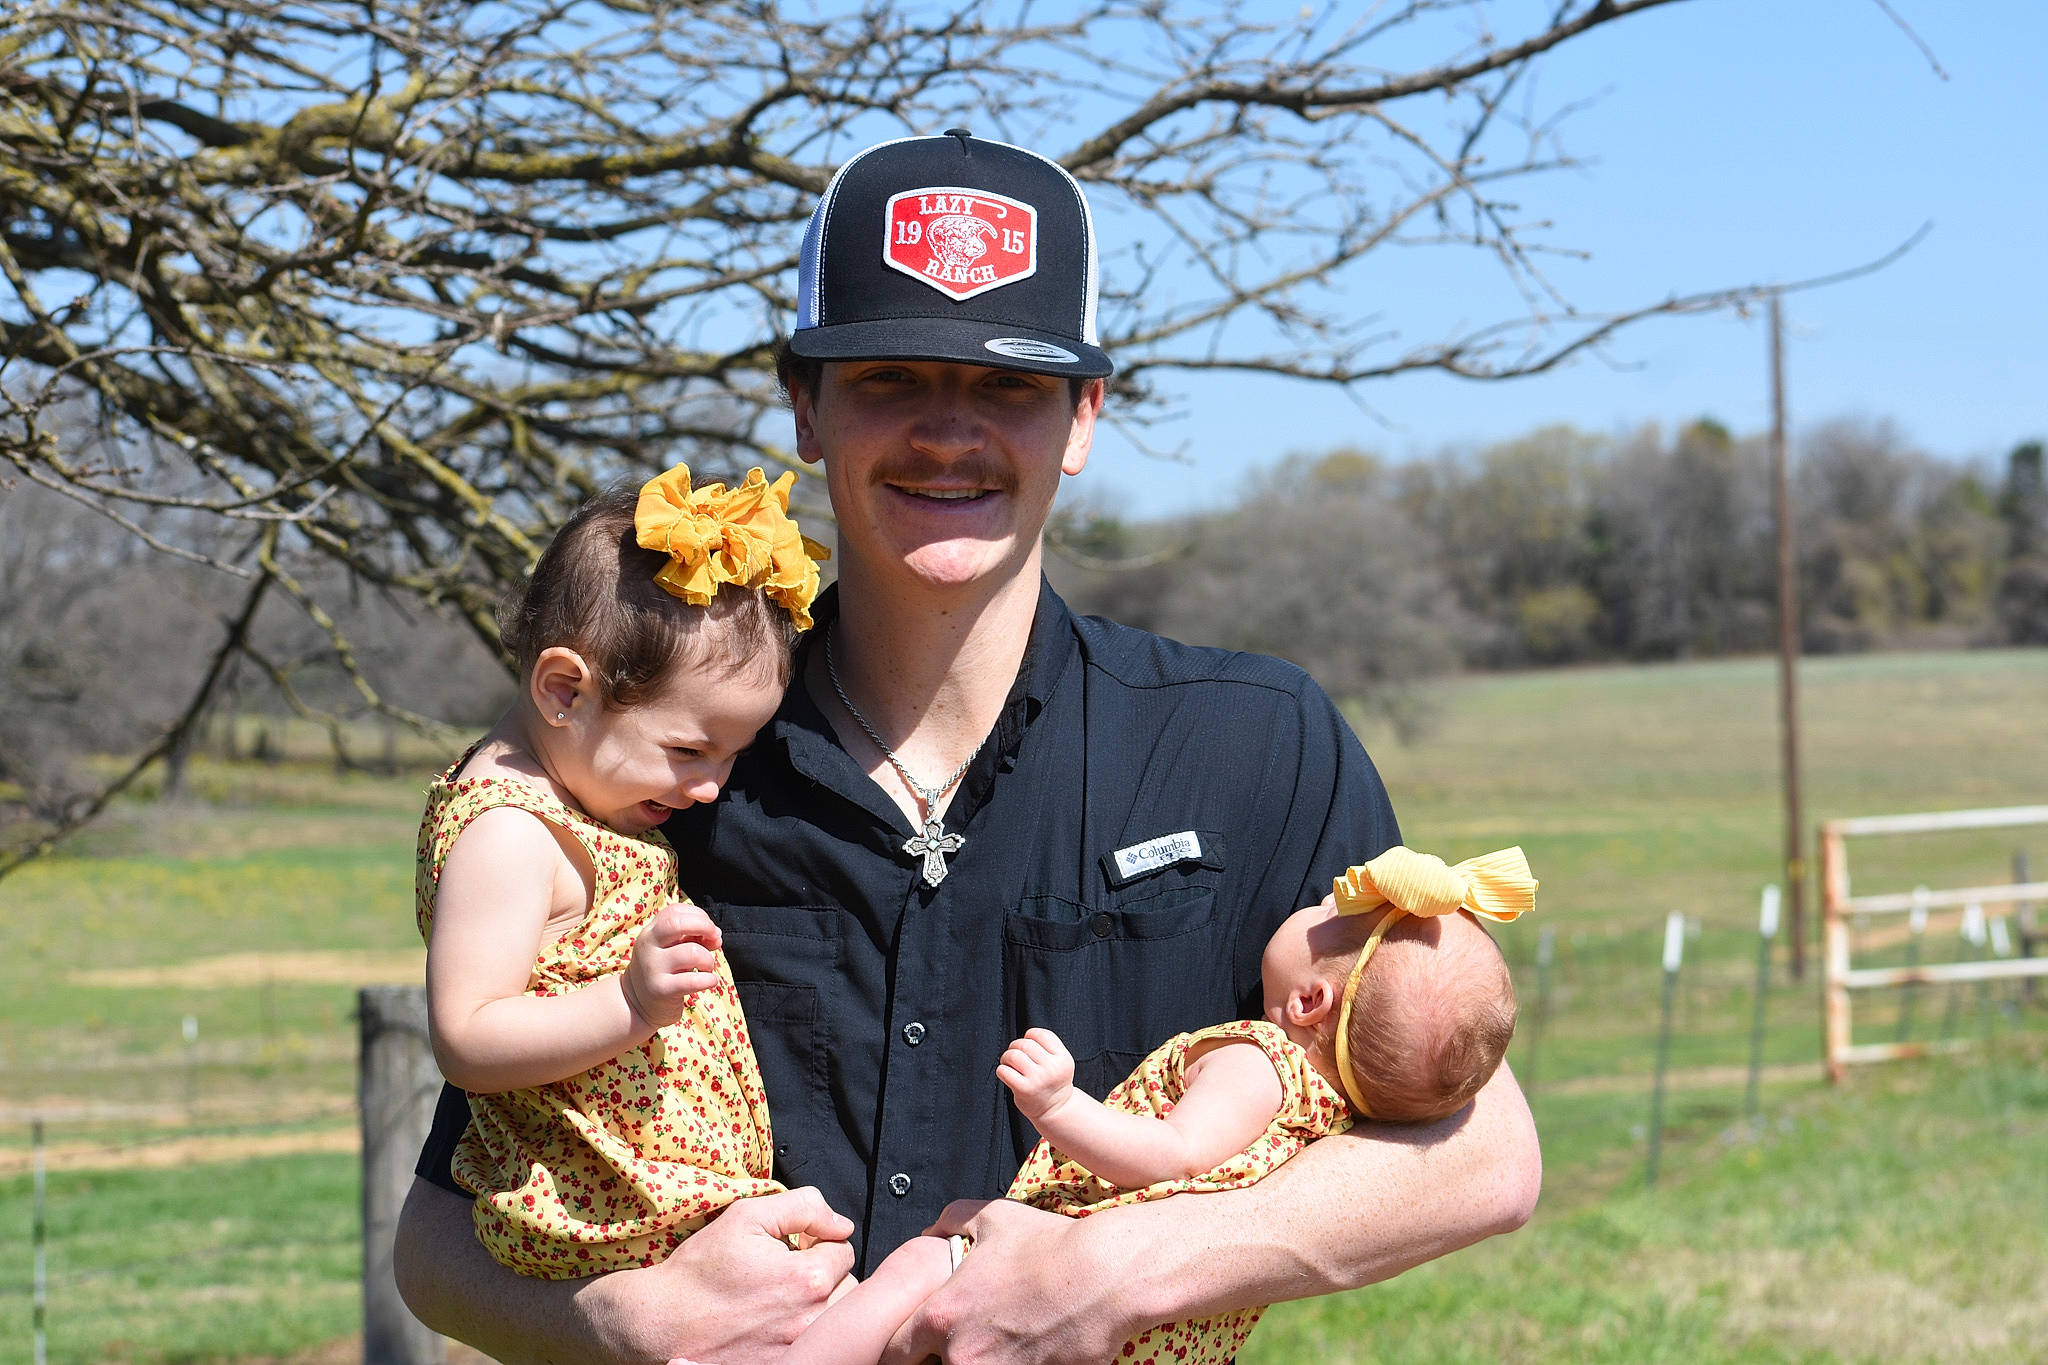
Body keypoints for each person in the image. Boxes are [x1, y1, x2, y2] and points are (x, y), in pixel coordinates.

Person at [394, 130, 1541, 1365]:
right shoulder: (662, 775)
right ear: (804, 409)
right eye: (890, 377)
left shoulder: (1251, 743)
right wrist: (617, 1321)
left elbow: (1482, 1155)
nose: (949, 432)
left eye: (1008, 387)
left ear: (1084, 415)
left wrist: (1117, 1270)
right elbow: (435, 1237)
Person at [781, 846, 1535, 1365]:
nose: (1310, 902)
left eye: (1328, 910)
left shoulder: (1258, 1064)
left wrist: (1060, 1105)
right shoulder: (1332, 1115)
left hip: (1064, 1265)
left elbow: (1167, 1154)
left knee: (917, 1266)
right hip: (1164, 1331)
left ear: (1310, 999)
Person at [415, 466, 826, 1277]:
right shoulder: (508, 833)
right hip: (611, 1213)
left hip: (658, 1203)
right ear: (564, 690)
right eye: (686, 750)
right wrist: (627, 1002)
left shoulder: (573, 799)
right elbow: (465, 1036)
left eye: (730, 757)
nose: (710, 787)